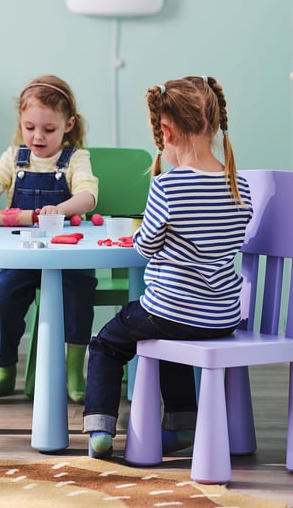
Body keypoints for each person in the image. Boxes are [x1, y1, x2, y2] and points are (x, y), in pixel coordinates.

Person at [83, 75, 253, 459]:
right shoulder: (239, 184)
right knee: (172, 339)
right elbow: (232, 238)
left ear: (166, 130)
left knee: (107, 344)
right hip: (223, 314)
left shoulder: (168, 185)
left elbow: (144, 247)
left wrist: (148, 234)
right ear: (213, 122)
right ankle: (180, 425)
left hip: (171, 309)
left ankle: (99, 431)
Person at [0, 75, 98, 403]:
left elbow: (87, 197)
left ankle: (74, 372)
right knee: (1, 306)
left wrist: (61, 208)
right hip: (23, 253)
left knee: (79, 297)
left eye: (48, 129)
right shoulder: (14, 158)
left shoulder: (76, 159)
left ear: (68, 125)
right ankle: (5, 370)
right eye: (30, 127)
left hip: (66, 255)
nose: (37, 136)